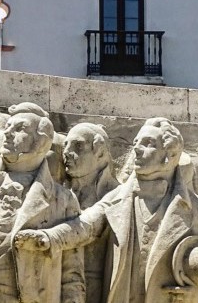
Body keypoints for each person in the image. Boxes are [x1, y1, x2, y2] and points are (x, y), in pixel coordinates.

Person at [15, 117, 198, 303]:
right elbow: (85, 227)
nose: (137, 148)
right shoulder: (118, 199)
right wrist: (49, 238)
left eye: (148, 143)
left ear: (170, 154)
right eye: (136, 141)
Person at [0, 102, 85, 303]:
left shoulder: (63, 199)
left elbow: (72, 271)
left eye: (19, 129)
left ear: (41, 143)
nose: (8, 134)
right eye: (7, 128)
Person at [62, 122, 120, 302]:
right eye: (66, 145)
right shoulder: (58, 194)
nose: (67, 152)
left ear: (100, 152)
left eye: (78, 145)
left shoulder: (118, 196)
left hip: (98, 288)